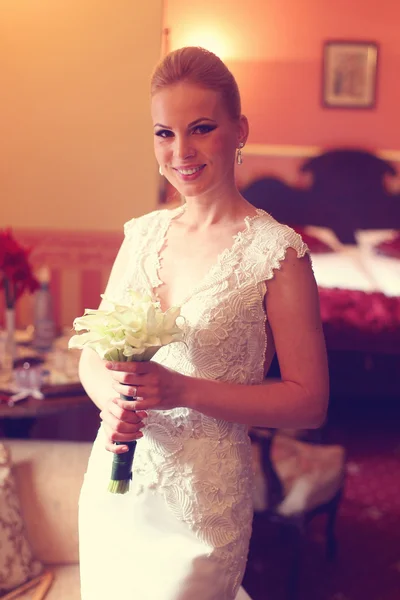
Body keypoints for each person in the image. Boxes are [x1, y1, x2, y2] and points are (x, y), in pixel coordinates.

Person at [78, 46, 329, 600]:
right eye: (164, 133)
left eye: (201, 128)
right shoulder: (141, 235)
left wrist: (184, 390)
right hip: (115, 485)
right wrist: (112, 401)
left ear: (239, 130)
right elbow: (93, 354)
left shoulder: (277, 253)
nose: (180, 151)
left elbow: (309, 403)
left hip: (202, 500)